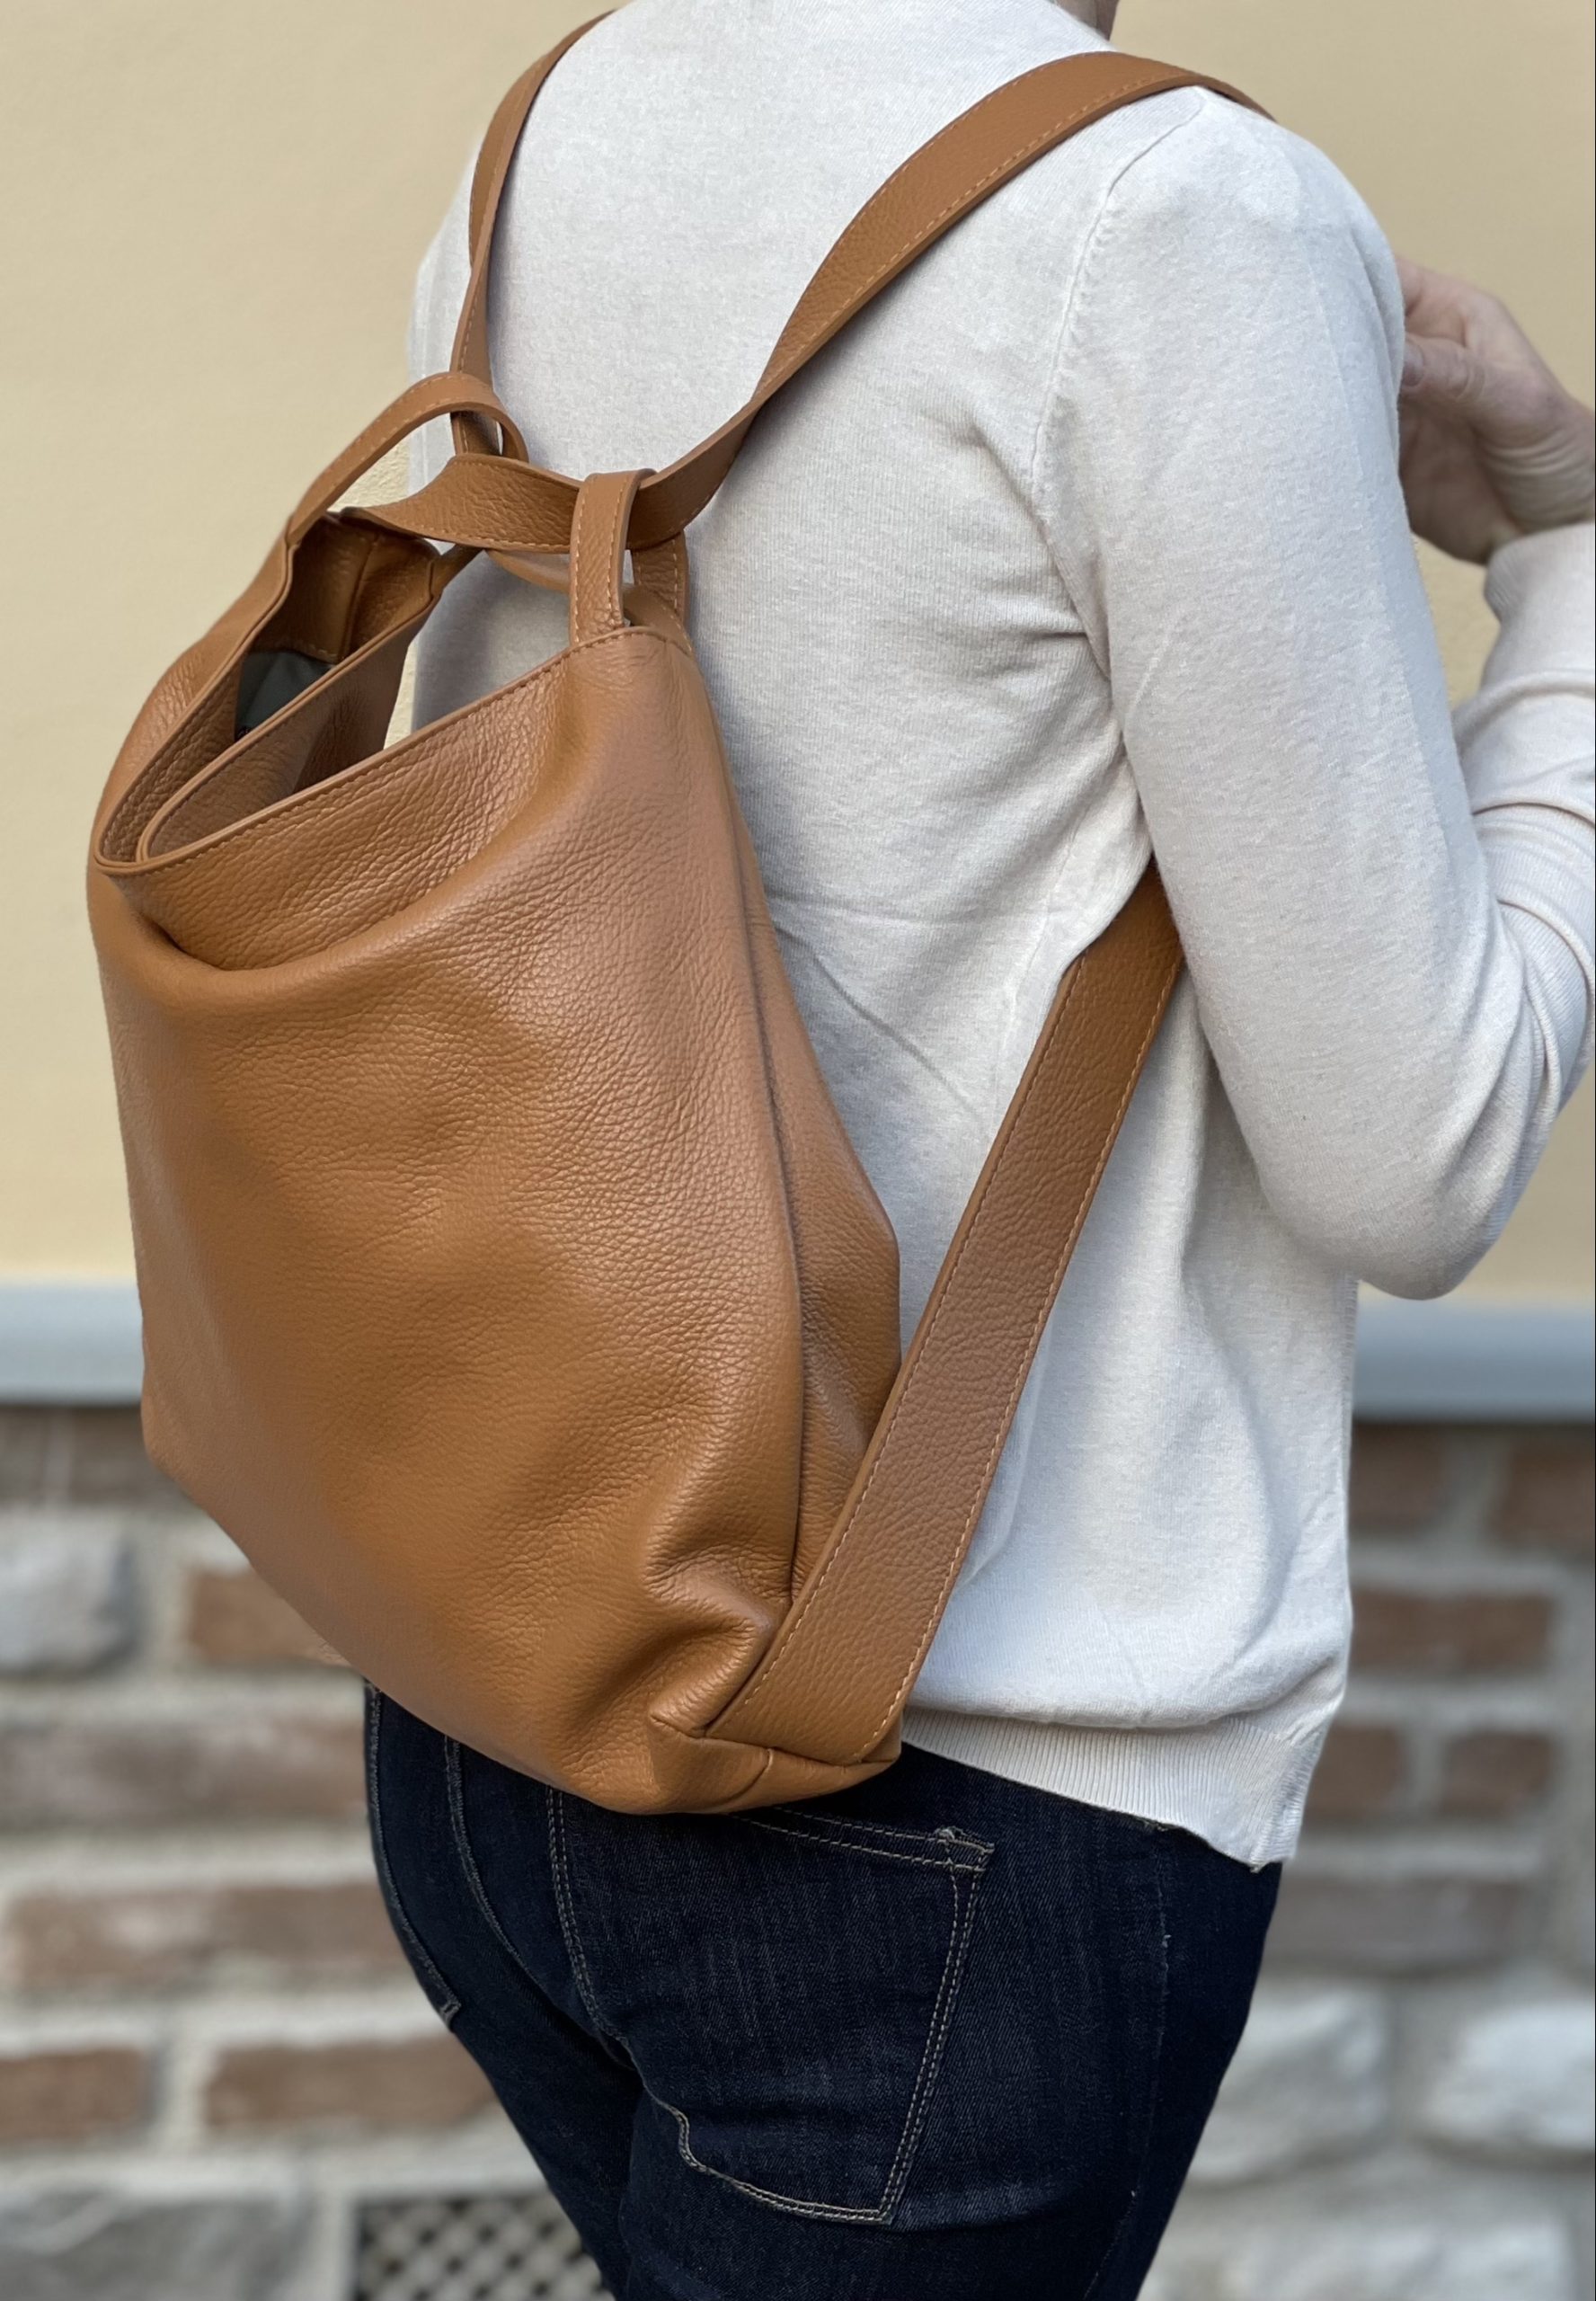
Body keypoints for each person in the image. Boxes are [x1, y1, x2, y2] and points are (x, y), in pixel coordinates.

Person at [367, 3, 1596, 2295]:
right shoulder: (1178, 218)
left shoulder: (564, 111)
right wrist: (1580, 559)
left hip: (492, 1704)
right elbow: (1416, 1158)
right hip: (949, 1796)